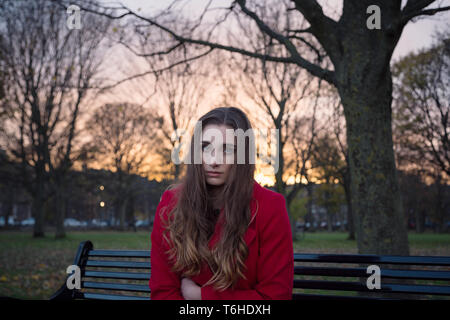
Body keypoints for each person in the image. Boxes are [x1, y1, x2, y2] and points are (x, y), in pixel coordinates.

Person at [149, 107, 293, 300]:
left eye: (227, 149)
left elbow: (275, 296)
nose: (214, 160)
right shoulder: (170, 206)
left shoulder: (270, 207)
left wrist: (201, 296)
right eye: (205, 147)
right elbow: (163, 291)